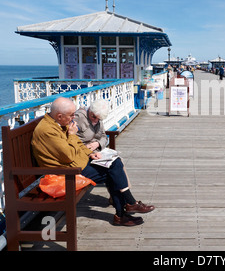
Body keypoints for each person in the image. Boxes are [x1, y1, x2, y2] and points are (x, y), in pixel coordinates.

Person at [31, 97, 155, 227]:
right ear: (59, 115)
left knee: (115, 163)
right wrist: (72, 135)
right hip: (66, 174)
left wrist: (90, 153)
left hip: (78, 165)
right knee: (113, 172)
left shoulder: (58, 123)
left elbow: (78, 145)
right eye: (71, 115)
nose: (73, 118)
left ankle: (127, 208)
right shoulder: (48, 131)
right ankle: (125, 209)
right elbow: (68, 156)